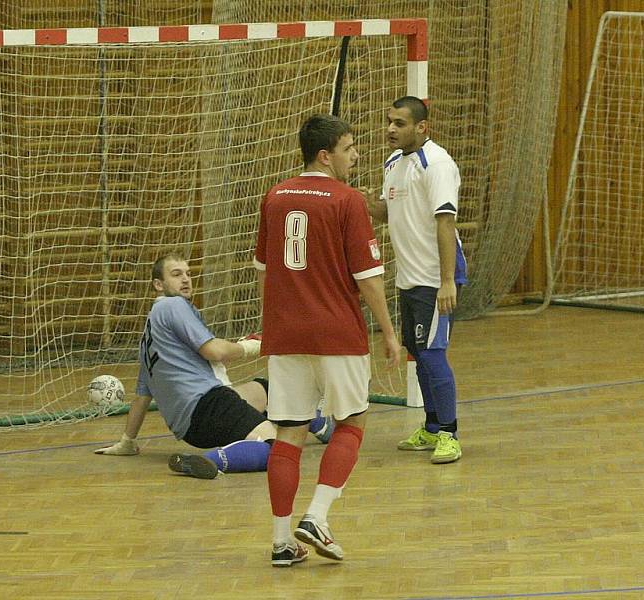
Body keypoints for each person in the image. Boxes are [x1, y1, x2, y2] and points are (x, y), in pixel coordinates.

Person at [254, 113, 402, 567]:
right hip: (336, 330)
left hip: (285, 333)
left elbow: (264, 272)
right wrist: (390, 334)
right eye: (349, 147)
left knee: (289, 432)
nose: (356, 155)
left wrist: (276, 324)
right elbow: (369, 279)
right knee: (353, 421)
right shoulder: (347, 201)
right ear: (325, 154)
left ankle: (282, 542)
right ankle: (317, 516)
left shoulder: (274, 197)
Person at [94, 253, 334, 479]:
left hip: (193, 427)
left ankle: (321, 426)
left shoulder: (149, 334)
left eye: (188, 273)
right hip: (208, 406)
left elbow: (142, 397)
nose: (186, 279)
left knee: (267, 389)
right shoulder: (172, 306)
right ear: (158, 285)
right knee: (280, 451)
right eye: (176, 274)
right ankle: (212, 461)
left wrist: (127, 441)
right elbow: (215, 351)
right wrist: (252, 346)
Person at [365, 96, 468, 465]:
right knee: (418, 354)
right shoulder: (393, 162)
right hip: (409, 278)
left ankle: (450, 434)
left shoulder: (437, 164)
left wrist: (446, 282)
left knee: (432, 354)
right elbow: (384, 211)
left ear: (421, 127)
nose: (391, 129)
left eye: (400, 123)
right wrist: (349, 196)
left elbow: (445, 222)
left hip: (434, 277)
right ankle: (431, 426)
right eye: (389, 121)